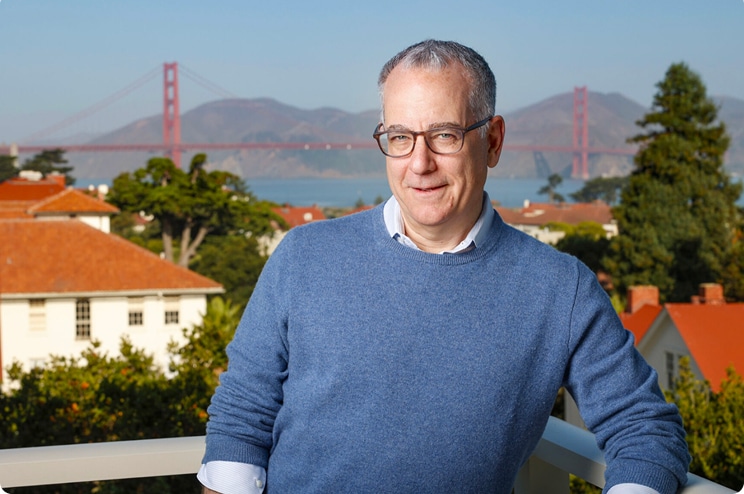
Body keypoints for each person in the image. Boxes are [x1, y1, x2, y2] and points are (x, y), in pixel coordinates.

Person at [198, 40, 690, 493]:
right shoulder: (302, 256)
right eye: (399, 136)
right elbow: (241, 419)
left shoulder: (561, 289)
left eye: (445, 135)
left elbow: (646, 429)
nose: (419, 162)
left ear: (493, 141)